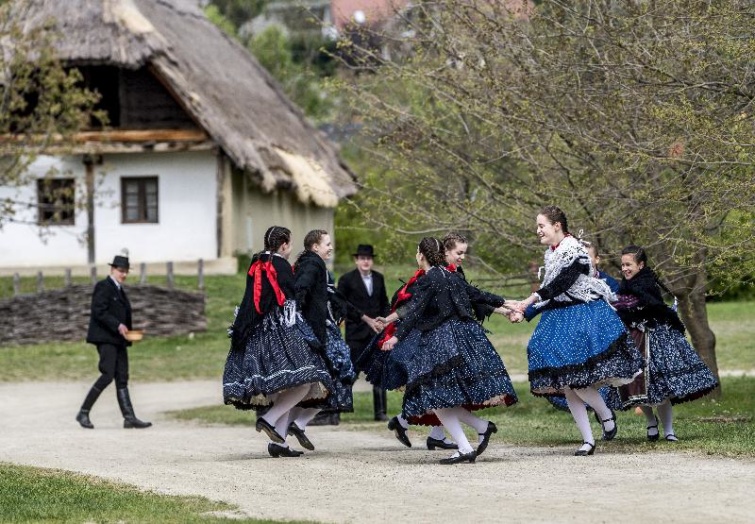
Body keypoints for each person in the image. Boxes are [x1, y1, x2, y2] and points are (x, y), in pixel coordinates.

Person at [510, 206, 644, 456]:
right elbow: (551, 292)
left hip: (582, 317)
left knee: (577, 380)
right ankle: (588, 440)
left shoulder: (575, 251)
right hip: (559, 318)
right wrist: (523, 312)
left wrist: (528, 301)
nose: (537, 230)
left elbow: (563, 283)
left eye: (541, 226)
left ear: (557, 226)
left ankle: (605, 415)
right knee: (566, 382)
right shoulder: (552, 253)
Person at [379, 237, 518, 464]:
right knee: (443, 398)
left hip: (441, 342)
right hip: (460, 339)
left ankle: (464, 447)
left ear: (421, 254)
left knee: (435, 397)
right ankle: (478, 431)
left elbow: (414, 311)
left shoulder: (430, 279)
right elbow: (477, 294)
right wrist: (506, 303)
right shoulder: (449, 275)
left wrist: (395, 337)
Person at [223, 226, 332, 457]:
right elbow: (291, 298)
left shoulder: (256, 262)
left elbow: (251, 300)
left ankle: (279, 442)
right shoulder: (280, 264)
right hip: (279, 332)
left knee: (287, 386)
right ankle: (269, 420)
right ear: (283, 244)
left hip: (256, 334)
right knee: (305, 381)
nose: (291, 250)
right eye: (290, 245)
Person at [611, 245, 718, 441]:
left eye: (629, 264)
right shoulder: (624, 287)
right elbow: (622, 309)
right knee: (636, 383)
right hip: (634, 338)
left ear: (641, 265)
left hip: (655, 337)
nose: (625, 268)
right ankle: (651, 422)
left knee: (661, 385)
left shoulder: (647, 283)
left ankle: (669, 430)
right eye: (623, 265)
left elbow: (652, 306)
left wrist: (628, 307)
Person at [286, 230, 356, 448]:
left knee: (329, 380)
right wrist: (296, 317)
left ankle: (294, 425)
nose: (331, 247)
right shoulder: (312, 264)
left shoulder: (313, 264)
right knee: (337, 375)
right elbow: (301, 289)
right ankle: (292, 424)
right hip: (318, 332)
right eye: (327, 243)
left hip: (322, 329)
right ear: (315, 246)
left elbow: (325, 295)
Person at [76, 253, 151, 429]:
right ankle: (83, 412)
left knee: (122, 377)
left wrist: (129, 331)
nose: (123, 274)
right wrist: (118, 325)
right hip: (105, 339)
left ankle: (129, 417)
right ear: (112, 269)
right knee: (107, 374)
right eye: (120, 270)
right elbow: (99, 311)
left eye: (125, 271)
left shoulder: (119, 290)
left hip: (119, 340)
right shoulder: (104, 286)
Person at [337, 244, 391, 421]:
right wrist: (363, 319)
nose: (365, 261)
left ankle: (380, 411)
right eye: (362, 258)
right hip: (356, 334)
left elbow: (384, 302)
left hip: (377, 332)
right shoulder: (346, 279)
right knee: (351, 371)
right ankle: (339, 407)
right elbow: (342, 305)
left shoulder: (379, 278)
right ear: (356, 260)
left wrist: (384, 320)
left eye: (368, 258)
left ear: (372, 260)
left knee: (379, 371)